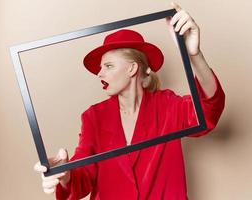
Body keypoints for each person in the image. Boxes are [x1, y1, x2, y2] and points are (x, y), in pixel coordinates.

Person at [34, 2, 225, 200]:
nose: (99, 73)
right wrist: (65, 174)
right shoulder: (93, 117)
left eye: (108, 66)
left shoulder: (168, 105)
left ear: (132, 68)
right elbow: (82, 177)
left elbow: (208, 108)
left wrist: (194, 54)